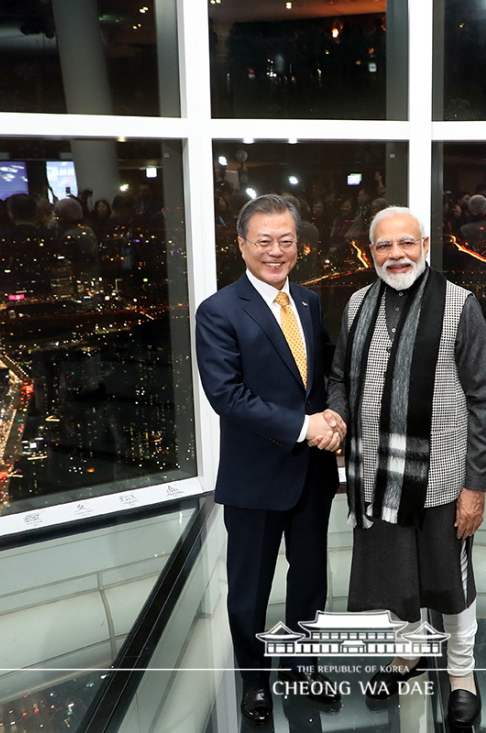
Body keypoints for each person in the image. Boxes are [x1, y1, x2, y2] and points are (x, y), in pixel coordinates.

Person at [327, 206, 486, 728]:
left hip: (443, 480)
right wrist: (338, 416)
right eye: (385, 246)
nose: (396, 254)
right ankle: (407, 655)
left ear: (424, 245)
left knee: (451, 584)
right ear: (371, 251)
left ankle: (462, 674)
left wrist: (475, 486)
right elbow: (341, 376)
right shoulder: (358, 304)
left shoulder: (458, 305)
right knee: (394, 581)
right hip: (376, 479)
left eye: (406, 243)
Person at [195, 194, 346, 725]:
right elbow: (227, 396)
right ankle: (254, 680)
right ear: (241, 244)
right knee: (250, 590)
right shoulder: (217, 311)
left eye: (286, 241)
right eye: (264, 241)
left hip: (312, 476)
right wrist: (306, 427)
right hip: (255, 478)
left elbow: (325, 374)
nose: (275, 251)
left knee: (309, 581)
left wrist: (336, 417)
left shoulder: (307, 300)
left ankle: (306, 667)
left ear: (298, 246)